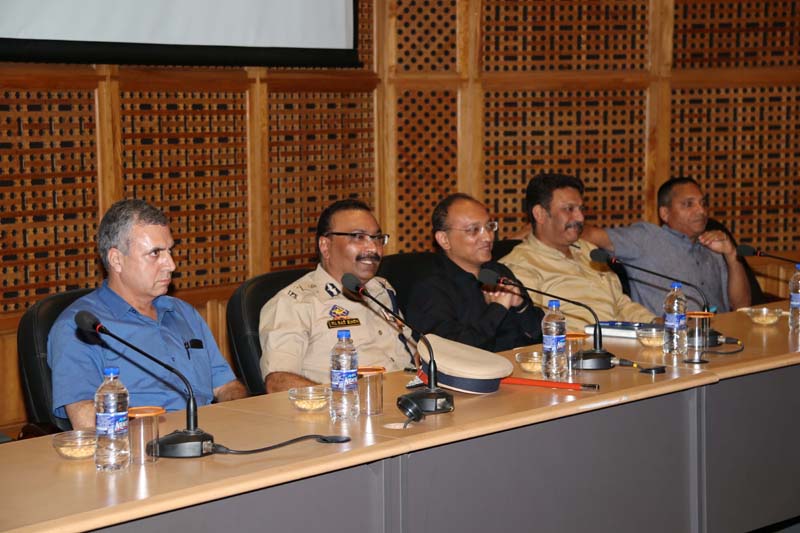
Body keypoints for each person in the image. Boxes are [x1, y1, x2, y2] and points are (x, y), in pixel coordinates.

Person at [48, 199, 247, 429]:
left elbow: (226, 386)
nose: (171, 265)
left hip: (209, 436)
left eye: (169, 251)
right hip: (142, 444)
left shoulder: (183, 313)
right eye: (155, 253)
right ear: (116, 260)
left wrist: (237, 415)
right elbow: (86, 422)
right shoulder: (80, 328)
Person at [259, 199, 412, 393]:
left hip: (408, 400)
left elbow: (413, 357)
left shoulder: (380, 290)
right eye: (358, 237)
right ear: (325, 246)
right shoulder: (295, 303)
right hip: (347, 407)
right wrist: (342, 401)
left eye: (377, 238)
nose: (373, 248)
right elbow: (278, 382)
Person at [500, 173, 655, 330]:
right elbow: (533, 326)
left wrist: (654, 323)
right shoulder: (520, 265)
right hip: (577, 343)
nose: (580, 217)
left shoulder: (589, 251)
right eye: (569, 209)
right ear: (540, 214)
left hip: (622, 339)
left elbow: (621, 304)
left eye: (581, 209)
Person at [581, 177, 751, 314]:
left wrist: (731, 254)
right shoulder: (645, 238)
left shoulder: (713, 245)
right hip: (671, 337)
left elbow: (742, 307)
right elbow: (589, 234)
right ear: (665, 213)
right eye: (688, 204)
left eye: (703, 203)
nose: (701, 211)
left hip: (720, 335)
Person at [406, 193, 543, 351]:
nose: (487, 237)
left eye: (489, 227)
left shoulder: (497, 272)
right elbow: (452, 351)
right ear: (444, 239)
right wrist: (498, 309)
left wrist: (521, 305)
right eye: (473, 230)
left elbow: (540, 336)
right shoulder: (430, 288)